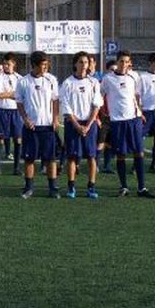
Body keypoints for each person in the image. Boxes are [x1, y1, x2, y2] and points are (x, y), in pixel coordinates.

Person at [100, 50, 153, 198]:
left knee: (139, 152)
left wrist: (140, 111)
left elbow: (137, 95)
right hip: (117, 122)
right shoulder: (108, 79)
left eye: (127, 62)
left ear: (130, 63)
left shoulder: (134, 76)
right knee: (121, 155)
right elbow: (99, 96)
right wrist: (103, 114)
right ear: (117, 62)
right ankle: (124, 187)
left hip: (134, 120)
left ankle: (142, 188)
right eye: (121, 61)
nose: (124, 64)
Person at [17, 51, 61, 199]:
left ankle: (53, 188)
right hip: (31, 127)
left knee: (50, 159)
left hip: (48, 126)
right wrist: (26, 119)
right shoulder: (23, 81)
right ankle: (29, 187)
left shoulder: (51, 80)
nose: (45, 67)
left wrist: (55, 118)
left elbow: (55, 100)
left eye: (47, 64)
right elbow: (19, 103)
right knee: (29, 159)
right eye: (43, 65)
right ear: (34, 65)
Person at [59, 51, 103, 199]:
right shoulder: (67, 83)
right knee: (72, 157)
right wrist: (77, 125)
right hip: (73, 124)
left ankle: (91, 187)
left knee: (91, 157)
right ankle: (71, 187)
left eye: (86, 62)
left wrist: (88, 125)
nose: (84, 65)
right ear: (75, 64)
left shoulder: (94, 82)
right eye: (81, 62)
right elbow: (66, 106)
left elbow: (97, 105)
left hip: (89, 124)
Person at [0, 52, 23, 176]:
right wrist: (14, 94)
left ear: (14, 64)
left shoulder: (19, 78)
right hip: (2, 110)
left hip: (16, 111)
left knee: (18, 139)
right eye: (4, 63)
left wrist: (10, 94)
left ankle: (16, 168)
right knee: (0, 138)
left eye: (8, 64)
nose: (5, 66)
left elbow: (21, 96)